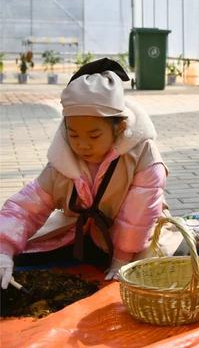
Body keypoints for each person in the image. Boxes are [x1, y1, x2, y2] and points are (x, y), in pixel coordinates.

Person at [0, 58, 180, 288]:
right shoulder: (61, 160)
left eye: (93, 136)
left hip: (139, 234)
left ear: (120, 128)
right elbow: (27, 207)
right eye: (73, 134)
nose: (82, 145)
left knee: (148, 270)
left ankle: (194, 233)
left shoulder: (142, 154)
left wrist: (121, 258)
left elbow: (140, 213)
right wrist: (3, 249)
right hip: (87, 234)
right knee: (25, 253)